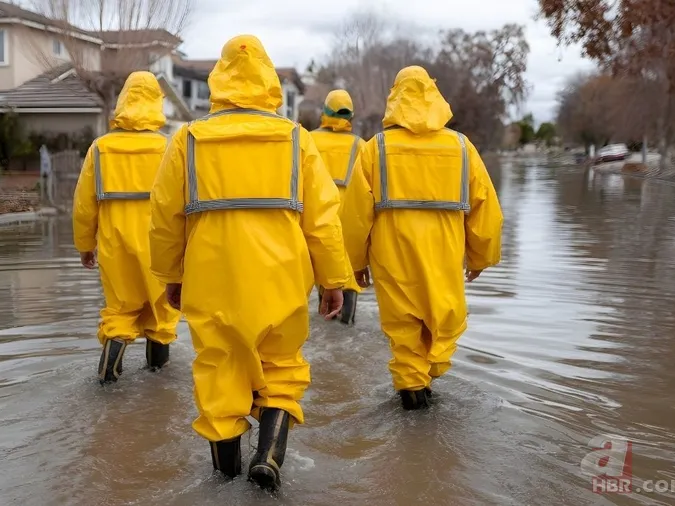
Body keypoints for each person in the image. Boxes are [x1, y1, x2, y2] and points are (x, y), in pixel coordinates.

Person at [148, 34, 350, 490]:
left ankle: (224, 480)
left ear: (219, 77)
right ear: (268, 79)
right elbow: (323, 220)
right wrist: (333, 279)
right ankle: (270, 457)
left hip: (212, 277)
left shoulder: (188, 139)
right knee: (282, 367)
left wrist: (171, 276)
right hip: (282, 277)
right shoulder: (295, 139)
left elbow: (164, 218)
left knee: (219, 371)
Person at [340, 66, 503, 410]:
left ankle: (413, 397)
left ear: (394, 97)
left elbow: (355, 217)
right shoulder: (462, 148)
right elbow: (485, 208)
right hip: (445, 256)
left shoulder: (375, 150)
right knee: (443, 322)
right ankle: (423, 392)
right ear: (434, 95)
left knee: (404, 332)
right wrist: (480, 257)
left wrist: (354, 264)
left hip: (393, 257)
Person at [73, 71, 180, 385]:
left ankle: (107, 379)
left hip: (114, 244)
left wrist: (84, 245)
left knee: (120, 310)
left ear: (123, 101)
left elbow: (83, 204)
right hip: (160, 245)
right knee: (162, 313)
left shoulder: (101, 148)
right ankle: (159, 384)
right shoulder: (170, 148)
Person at [309, 90, 366, 325]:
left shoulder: (307, 139)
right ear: (351, 115)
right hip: (349, 214)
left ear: (324, 112)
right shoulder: (360, 145)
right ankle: (345, 322)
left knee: (323, 270)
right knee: (348, 273)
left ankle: (325, 315)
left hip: (316, 211)